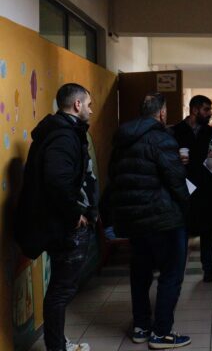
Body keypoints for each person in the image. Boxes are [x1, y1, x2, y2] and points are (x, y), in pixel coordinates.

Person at [16, 83, 97, 351]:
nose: (91, 110)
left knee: (60, 290)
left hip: (54, 223)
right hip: (62, 225)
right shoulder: (64, 136)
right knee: (61, 291)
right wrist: (76, 213)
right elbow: (57, 181)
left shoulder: (57, 131)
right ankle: (56, 347)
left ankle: (57, 343)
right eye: (89, 105)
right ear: (77, 105)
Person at [107, 93, 191, 349]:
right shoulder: (161, 138)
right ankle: (161, 333)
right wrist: (187, 206)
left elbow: (114, 175)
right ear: (162, 113)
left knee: (140, 273)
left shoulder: (122, 139)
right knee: (171, 273)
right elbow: (175, 179)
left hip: (134, 219)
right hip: (162, 217)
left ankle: (141, 327)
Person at [172, 95, 212, 283]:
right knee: (181, 230)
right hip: (183, 187)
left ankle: (208, 268)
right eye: (206, 109)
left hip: (206, 188)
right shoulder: (176, 131)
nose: (210, 113)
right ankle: (176, 270)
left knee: (207, 230)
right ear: (195, 110)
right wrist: (176, 159)